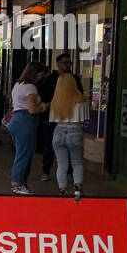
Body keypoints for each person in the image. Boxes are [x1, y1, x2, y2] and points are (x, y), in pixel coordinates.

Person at [7, 61, 47, 194]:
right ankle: (17, 184)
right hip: (25, 122)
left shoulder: (18, 85)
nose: (42, 77)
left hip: (16, 120)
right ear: (35, 73)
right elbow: (32, 109)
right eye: (41, 74)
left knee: (22, 153)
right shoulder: (31, 87)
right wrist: (45, 106)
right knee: (24, 154)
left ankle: (21, 183)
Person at [49, 62, 87, 198]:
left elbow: (53, 119)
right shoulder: (79, 100)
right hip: (75, 132)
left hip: (58, 132)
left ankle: (63, 189)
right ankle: (77, 188)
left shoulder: (55, 101)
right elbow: (84, 119)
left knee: (61, 164)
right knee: (77, 163)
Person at [36, 56, 66, 181]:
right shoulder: (50, 80)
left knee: (66, 145)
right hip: (52, 117)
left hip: (67, 117)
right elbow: (43, 98)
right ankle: (46, 170)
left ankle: (67, 171)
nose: (68, 65)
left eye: (69, 63)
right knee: (49, 144)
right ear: (58, 63)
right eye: (65, 63)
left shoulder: (73, 79)